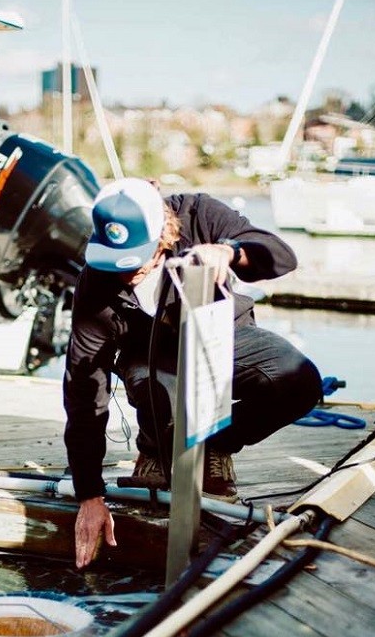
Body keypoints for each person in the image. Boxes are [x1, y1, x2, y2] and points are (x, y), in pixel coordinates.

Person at [63, 177, 322, 569]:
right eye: (116, 262)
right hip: (148, 360)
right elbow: (84, 392)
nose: (126, 271)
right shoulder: (95, 284)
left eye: (137, 259)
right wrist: (90, 495)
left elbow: (280, 256)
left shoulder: (198, 214)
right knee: (159, 388)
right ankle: (155, 448)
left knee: (299, 379)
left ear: (164, 233)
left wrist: (231, 252)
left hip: (221, 337)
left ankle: (217, 445)